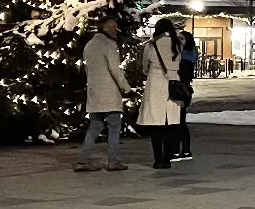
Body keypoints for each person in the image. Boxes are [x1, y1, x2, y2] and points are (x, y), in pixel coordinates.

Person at [77, 16, 130, 172]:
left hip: (94, 92)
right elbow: (115, 69)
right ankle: (113, 160)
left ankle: (83, 160)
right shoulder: (109, 45)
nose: (116, 30)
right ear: (105, 28)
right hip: (109, 92)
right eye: (112, 27)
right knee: (114, 127)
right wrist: (126, 87)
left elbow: (87, 69)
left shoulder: (89, 45)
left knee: (95, 126)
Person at [137, 17, 182, 170]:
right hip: (173, 83)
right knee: (171, 124)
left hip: (156, 83)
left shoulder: (151, 45)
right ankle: (168, 158)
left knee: (156, 124)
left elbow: (144, 66)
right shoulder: (177, 44)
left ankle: (158, 159)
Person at [172, 25, 198, 160]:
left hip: (181, 91)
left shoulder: (186, 57)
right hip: (184, 90)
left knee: (178, 121)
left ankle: (178, 150)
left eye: (182, 39)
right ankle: (185, 150)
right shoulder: (185, 55)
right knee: (180, 121)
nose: (179, 40)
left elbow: (184, 76)